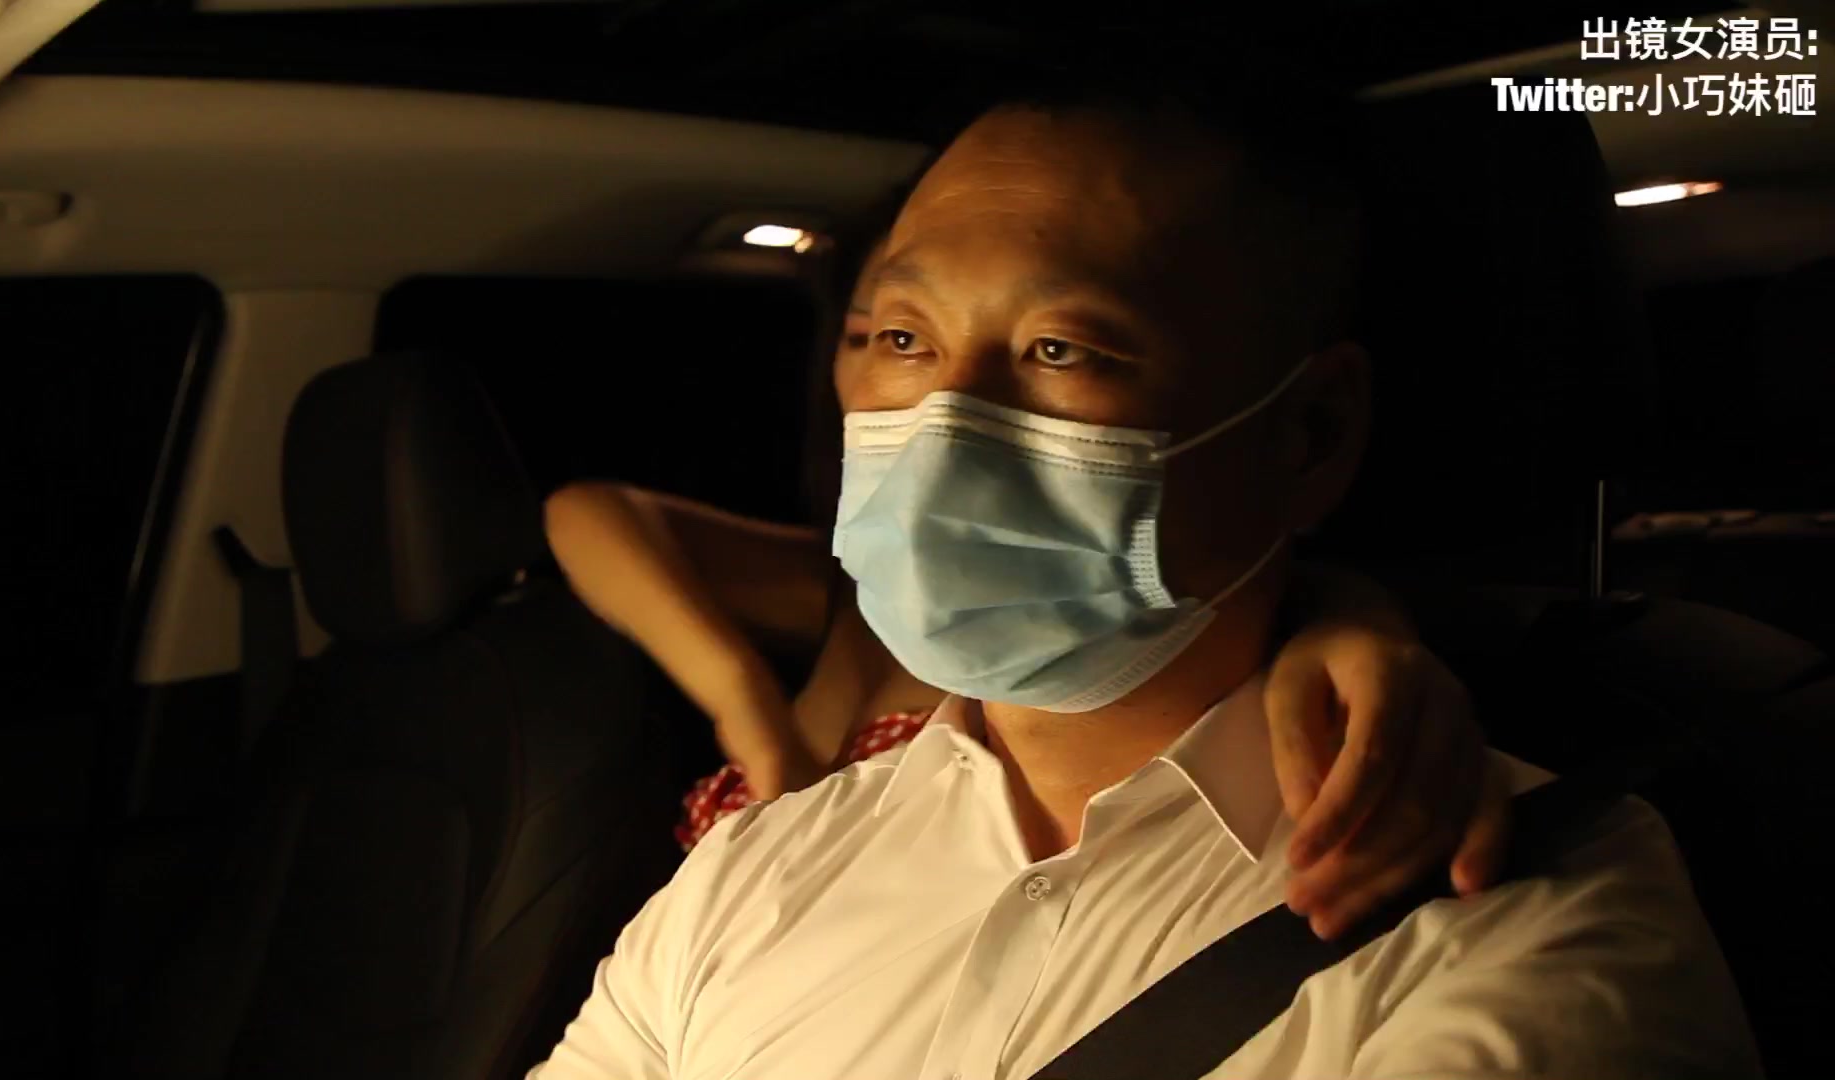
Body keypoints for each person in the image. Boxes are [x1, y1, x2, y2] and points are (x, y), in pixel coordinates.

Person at [530, 53, 1760, 1079]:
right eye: (903, 336)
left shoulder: (1531, 908)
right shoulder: (759, 870)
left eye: (1063, 350)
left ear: (1310, 432)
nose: (947, 424)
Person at [546, 234, 1499, 935]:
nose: (942, 405)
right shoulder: (850, 591)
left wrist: (1360, 626)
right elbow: (588, 515)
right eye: (891, 339)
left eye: (1056, 350)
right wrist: (747, 710)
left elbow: (1256, 593)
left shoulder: (1080, 614)